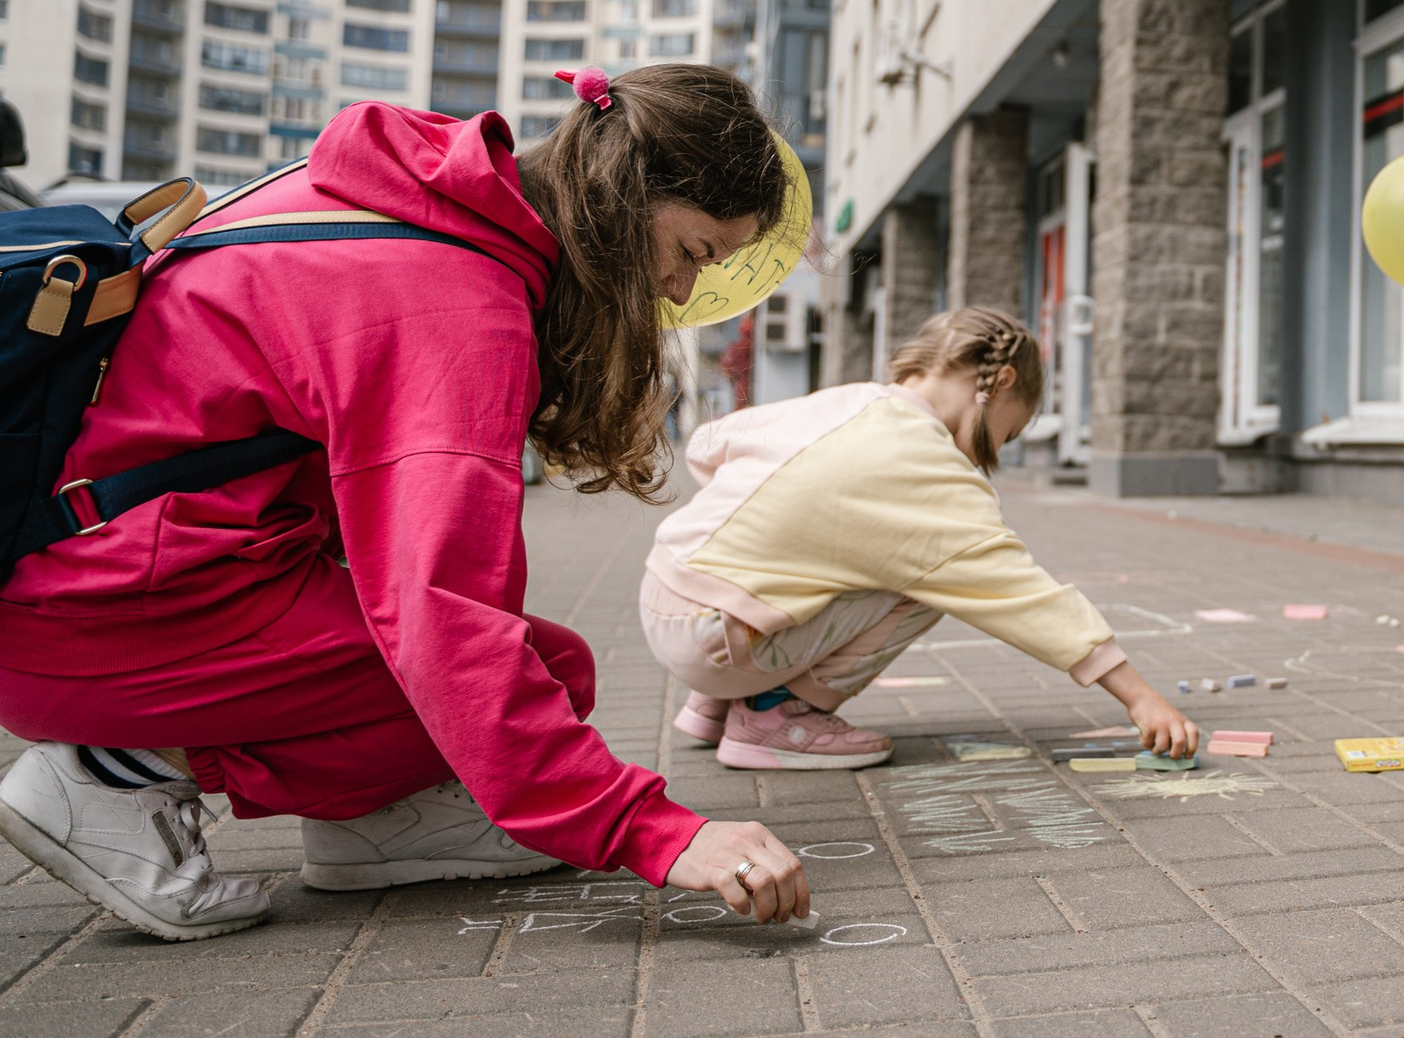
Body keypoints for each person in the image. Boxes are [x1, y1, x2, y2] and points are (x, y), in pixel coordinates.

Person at [0, 65, 817, 941]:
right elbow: (443, 620)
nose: (683, 293)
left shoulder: (428, 195)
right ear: (625, 194)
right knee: (495, 682)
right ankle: (114, 771)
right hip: (92, 608)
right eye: (692, 252)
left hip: (102, 567)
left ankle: (381, 825)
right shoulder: (456, 306)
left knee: (555, 673)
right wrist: (648, 829)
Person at [643, 308, 1201, 768]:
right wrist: (1140, 696)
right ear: (999, 383)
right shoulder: (927, 464)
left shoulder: (845, 400)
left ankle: (713, 704)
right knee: (924, 581)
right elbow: (1012, 587)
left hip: (664, 592)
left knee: (814, 557)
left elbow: (710, 443)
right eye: (1007, 432)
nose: (996, 451)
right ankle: (771, 717)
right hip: (718, 639)